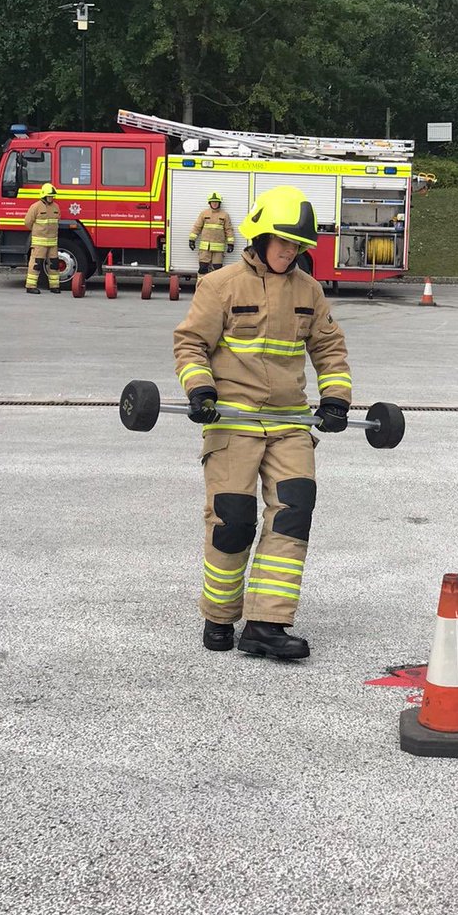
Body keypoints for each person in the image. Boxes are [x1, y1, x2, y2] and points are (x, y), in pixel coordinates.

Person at [173, 184, 352, 660]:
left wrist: (335, 399)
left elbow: (329, 350)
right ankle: (219, 616)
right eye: (282, 242)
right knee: (232, 521)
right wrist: (200, 390)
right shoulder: (221, 285)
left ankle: (266, 625)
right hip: (232, 422)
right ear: (260, 238)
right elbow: (190, 344)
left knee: (293, 515)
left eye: (297, 245)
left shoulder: (309, 292)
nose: (289, 251)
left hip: (290, 424)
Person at [23, 182, 61, 294]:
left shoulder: (56, 207)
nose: (51, 198)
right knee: (36, 264)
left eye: (52, 196)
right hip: (39, 242)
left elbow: (57, 220)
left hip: (53, 242)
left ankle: (54, 286)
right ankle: (30, 286)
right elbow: (27, 222)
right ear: (44, 195)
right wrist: (37, 232)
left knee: (54, 264)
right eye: (50, 196)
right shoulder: (35, 207)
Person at [188, 191, 234, 274]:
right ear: (210, 203)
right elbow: (197, 227)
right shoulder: (204, 213)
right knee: (203, 268)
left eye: (216, 202)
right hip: (205, 249)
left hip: (218, 250)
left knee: (218, 270)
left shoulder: (225, 215)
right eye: (213, 202)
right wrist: (192, 240)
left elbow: (228, 229)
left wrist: (231, 243)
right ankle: (201, 286)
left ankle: (216, 286)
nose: (215, 204)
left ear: (219, 203)